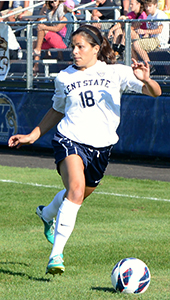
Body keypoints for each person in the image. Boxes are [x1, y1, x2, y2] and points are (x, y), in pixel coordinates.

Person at [8, 24, 161, 276]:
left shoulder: (117, 72)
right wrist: (33, 135)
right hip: (70, 139)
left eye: (81, 47)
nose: (75, 52)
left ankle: (47, 214)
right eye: (73, 46)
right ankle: (56, 255)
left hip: (102, 148)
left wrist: (147, 80)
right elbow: (57, 110)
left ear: (96, 49)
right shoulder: (63, 77)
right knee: (76, 190)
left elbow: (155, 93)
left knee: (76, 196)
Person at [33, 0, 75, 74]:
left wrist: (44, 27)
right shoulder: (65, 16)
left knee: (42, 28)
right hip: (58, 40)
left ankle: (38, 50)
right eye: (51, 2)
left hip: (64, 43)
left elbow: (57, 28)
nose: (53, 3)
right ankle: (36, 66)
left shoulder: (67, 16)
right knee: (34, 43)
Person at [131, 0, 169, 69]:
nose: (148, 8)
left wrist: (144, 31)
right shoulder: (149, 17)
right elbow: (149, 31)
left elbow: (159, 30)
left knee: (136, 44)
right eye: (146, 6)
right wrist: (143, 35)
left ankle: (150, 66)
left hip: (159, 40)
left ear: (155, 5)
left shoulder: (160, 15)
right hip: (153, 39)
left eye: (150, 6)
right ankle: (136, 65)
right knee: (132, 45)